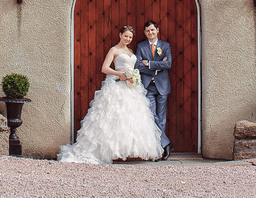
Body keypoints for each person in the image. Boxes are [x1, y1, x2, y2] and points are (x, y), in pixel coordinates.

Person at [57, 25, 164, 164]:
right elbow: (105, 68)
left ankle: (126, 150)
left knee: (131, 118)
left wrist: (134, 76)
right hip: (117, 85)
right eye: (126, 36)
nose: (128, 39)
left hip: (131, 87)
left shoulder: (130, 51)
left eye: (130, 37)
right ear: (120, 35)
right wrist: (120, 74)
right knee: (113, 117)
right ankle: (108, 151)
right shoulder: (114, 50)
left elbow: (134, 67)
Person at [136, 19, 173, 160]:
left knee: (161, 118)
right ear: (144, 33)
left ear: (157, 30)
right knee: (152, 116)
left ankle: (161, 148)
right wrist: (158, 65)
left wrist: (150, 64)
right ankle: (166, 144)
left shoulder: (165, 46)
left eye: (152, 30)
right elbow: (138, 66)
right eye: (147, 31)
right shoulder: (141, 46)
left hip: (162, 86)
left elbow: (168, 64)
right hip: (148, 87)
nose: (150, 32)